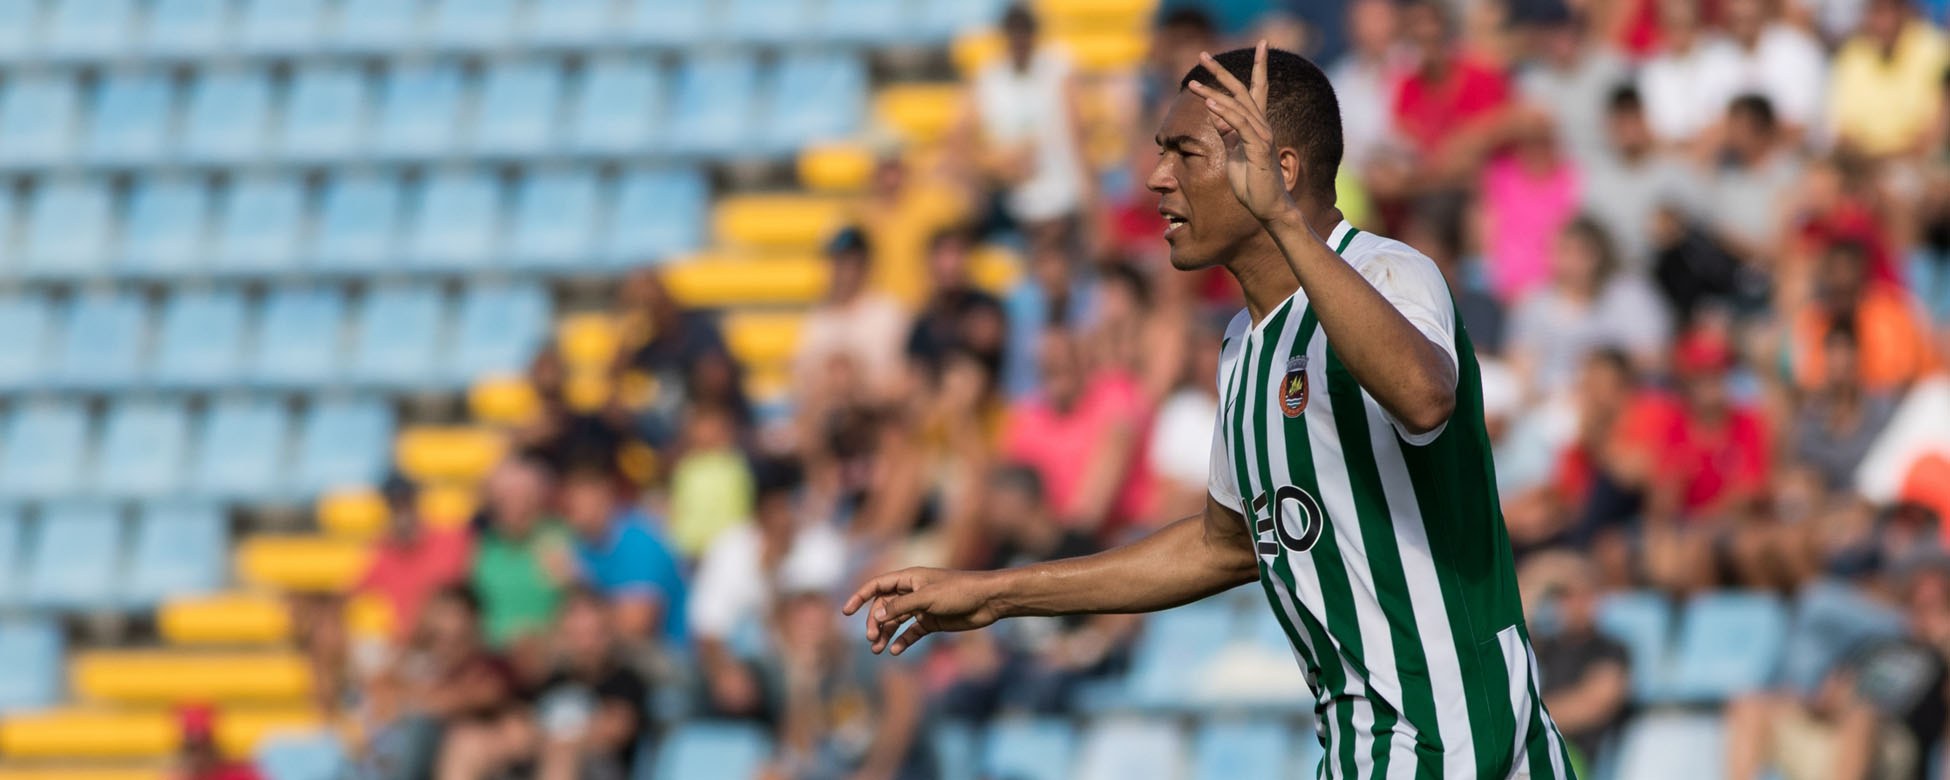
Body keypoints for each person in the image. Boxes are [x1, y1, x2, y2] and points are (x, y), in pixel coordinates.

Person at [847, 44, 1574, 778]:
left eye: (1185, 153)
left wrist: (1282, 220)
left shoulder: (1387, 271)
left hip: (1451, 744)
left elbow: (1424, 397)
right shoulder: (1241, 348)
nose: (1157, 177)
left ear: (1279, 171)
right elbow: (1225, 546)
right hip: (1374, 749)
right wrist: (995, 594)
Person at [690, 476, 847, 719]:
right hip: (748, 662)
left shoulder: (821, 543)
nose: (784, 518)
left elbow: (827, 622)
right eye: (777, 509)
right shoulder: (728, 548)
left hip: (811, 659)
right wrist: (724, 673)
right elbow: (708, 630)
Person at [963, 3, 1092, 253]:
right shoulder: (988, 77)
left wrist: (1089, 197)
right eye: (1014, 32)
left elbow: (1079, 135)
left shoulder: (1058, 68)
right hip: (1013, 204)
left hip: (1060, 197)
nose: (1019, 40)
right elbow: (965, 145)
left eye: (1023, 31)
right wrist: (999, 166)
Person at [766, 590, 933, 780]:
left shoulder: (866, 654)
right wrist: (803, 681)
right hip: (844, 767)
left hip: (900, 766)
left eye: (817, 625)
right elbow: (800, 750)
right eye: (803, 628)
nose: (812, 635)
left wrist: (876, 771)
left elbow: (904, 709)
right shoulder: (810, 680)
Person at [1507, 217, 1672, 400]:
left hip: (1618, 397)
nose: (1570, 262)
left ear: (1597, 255)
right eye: (1563, 251)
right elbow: (1521, 365)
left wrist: (1599, 374)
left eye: (1579, 252)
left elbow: (1654, 357)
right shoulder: (1533, 303)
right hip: (1551, 400)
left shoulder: (1630, 295)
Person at [1520, 553, 1631, 774]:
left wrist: (1526, 716)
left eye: (1585, 595)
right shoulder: (1545, 645)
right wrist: (1545, 574)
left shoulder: (1610, 647)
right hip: (1539, 747)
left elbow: (1594, 705)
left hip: (1578, 758)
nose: (1576, 604)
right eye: (1566, 596)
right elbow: (1510, 629)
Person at [1581, 85, 1706, 272]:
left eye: (1634, 119)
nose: (1629, 129)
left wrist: (1677, 223)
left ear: (1646, 119)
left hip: (1670, 276)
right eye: (1621, 121)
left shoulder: (1675, 170)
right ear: (1609, 125)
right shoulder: (1595, 180)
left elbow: (1705, 223)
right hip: (1615, 276)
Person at [531, 588, 652, 780]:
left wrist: (561, 740)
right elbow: (524, 731)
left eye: (594, 634)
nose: (586, 645)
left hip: (602, 768)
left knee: (562, 757)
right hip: (547, 763)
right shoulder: (552, 681)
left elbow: (617, 729)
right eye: (577, 634)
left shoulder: (626, 680)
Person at [560, 468, 688, 646]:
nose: (569, 503)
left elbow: (636, 625)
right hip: (617, 650)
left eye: (578, 493)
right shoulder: (580, 544)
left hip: (666, 652)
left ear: (604, 493)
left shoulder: (639, 540)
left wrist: (578, 582)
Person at [793, 227, 910, 402]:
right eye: (837, 261)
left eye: (849, 262)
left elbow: (902, 378)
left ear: (865, 265)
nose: (842, 270)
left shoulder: (888, 313)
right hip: (830, 407)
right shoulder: (818, 317)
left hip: (876, 407)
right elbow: (803, 377)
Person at [470, 457, 576, 649]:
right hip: (492, 653)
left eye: (523, 498)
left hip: (548, 651)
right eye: (504, 499)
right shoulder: (479, 546)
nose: (515, 507)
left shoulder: (559, 540)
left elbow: (576, 604)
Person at [356, 476, 472, 643]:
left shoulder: (452, 539)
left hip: (456, 639)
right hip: (410, 645)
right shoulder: (379, 554)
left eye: (406, 504)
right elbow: (346, 595)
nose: (403, 515)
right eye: (396, 507)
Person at [1828, 0, 1950, 159]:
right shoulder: (1852, 55)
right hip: (1865, 161)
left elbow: (1939, 125)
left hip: (1918, 159)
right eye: (1876, 13)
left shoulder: (1935, 49)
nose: (1882, 23)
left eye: (1888, 12)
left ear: (1904, 12)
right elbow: (1843, 132)